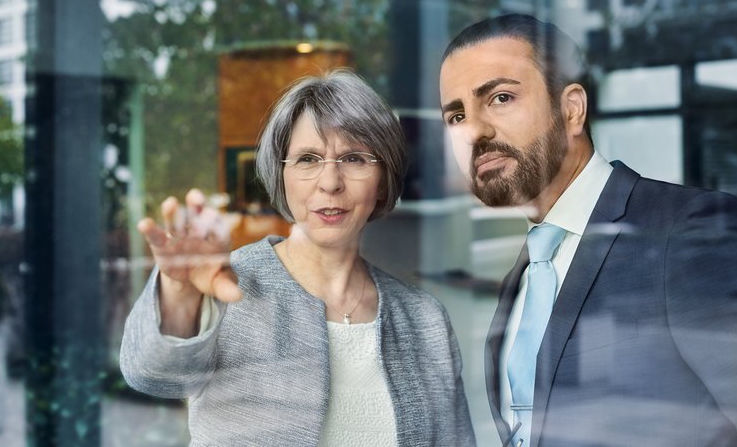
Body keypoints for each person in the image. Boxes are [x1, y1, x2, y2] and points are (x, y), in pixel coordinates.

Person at [120, 69, 476, 446]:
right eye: (308, 159)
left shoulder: (424, 319)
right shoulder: (228, 284)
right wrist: (180, 293)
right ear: (281, 173)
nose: (330, 182)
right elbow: (153, 376)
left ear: (383, 178)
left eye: (354, 159)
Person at [439, 13, 737, 447]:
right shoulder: (524, 276)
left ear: (572, 109)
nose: (475, 131)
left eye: (501, 97)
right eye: (456, 116)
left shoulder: (687, 231)